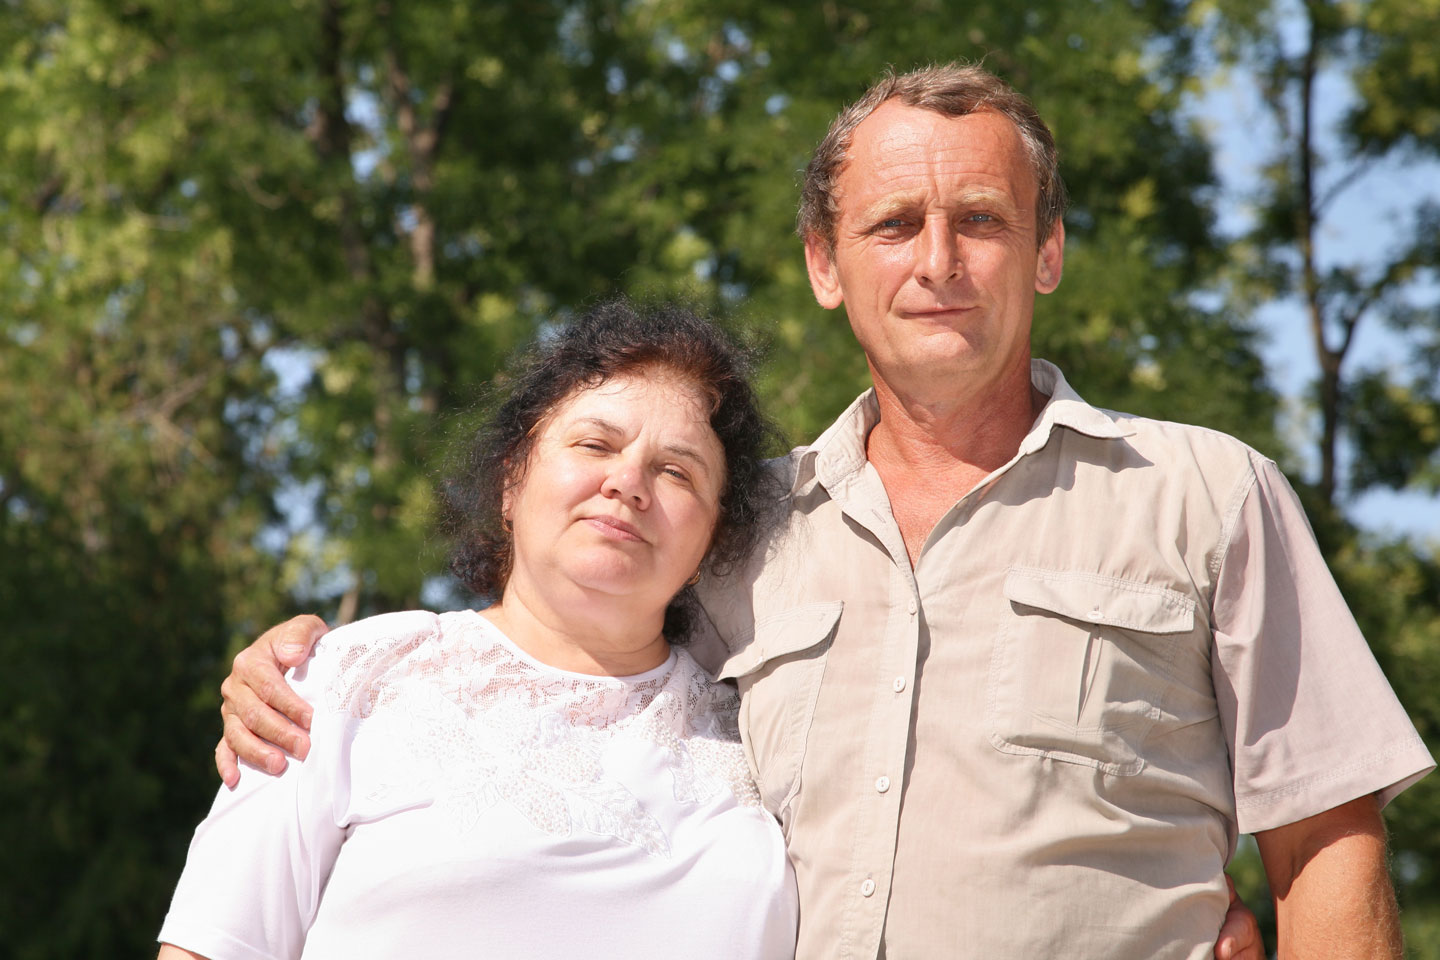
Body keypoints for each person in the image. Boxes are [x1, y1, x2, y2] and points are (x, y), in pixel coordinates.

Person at [217, 64, 1436, 958]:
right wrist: (312, 670)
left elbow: (1328, 844)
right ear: (822, 261)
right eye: (894, 224)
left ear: (1049, 251)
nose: (938, 260)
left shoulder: (1207, 496)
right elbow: (564, 666)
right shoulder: (736, 529)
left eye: (983, 222)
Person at [158, 299, 798, 959]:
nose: (629, 481)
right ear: (511, 481)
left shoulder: (763, 730)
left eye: (677, 472)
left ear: (712, 544)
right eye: (595, 444)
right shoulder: (347, 680)